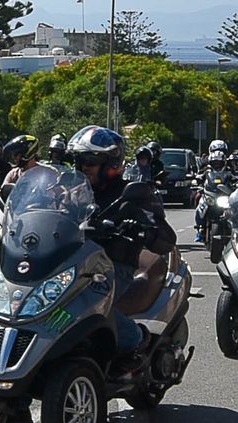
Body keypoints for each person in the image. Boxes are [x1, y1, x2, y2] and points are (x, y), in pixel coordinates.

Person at [66, 125, 175, 372]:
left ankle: (137, 339)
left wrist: (143, 229)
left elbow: (166, 236)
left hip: (113, 266)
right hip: (71, 263)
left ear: (111, 163)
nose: (84, 166)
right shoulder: (72, 191)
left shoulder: (132, 194)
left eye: (91, 161)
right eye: (80, 160)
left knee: (88, 308)